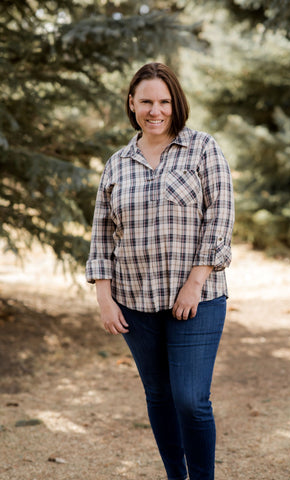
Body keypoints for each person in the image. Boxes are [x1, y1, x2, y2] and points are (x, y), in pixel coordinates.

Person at [86, 62, 234, 480]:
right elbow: (101, 233)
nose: (156, 110)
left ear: (176, 104)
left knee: (190, 399)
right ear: (132, 104)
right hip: (135, 303)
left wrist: (195, 282)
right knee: (159, 396)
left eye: (164, 101)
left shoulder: (203, 149)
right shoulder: (117, 164)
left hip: (197, 301)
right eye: (146, 101)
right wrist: (103, 296)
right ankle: (176, 476)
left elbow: (219, 219)